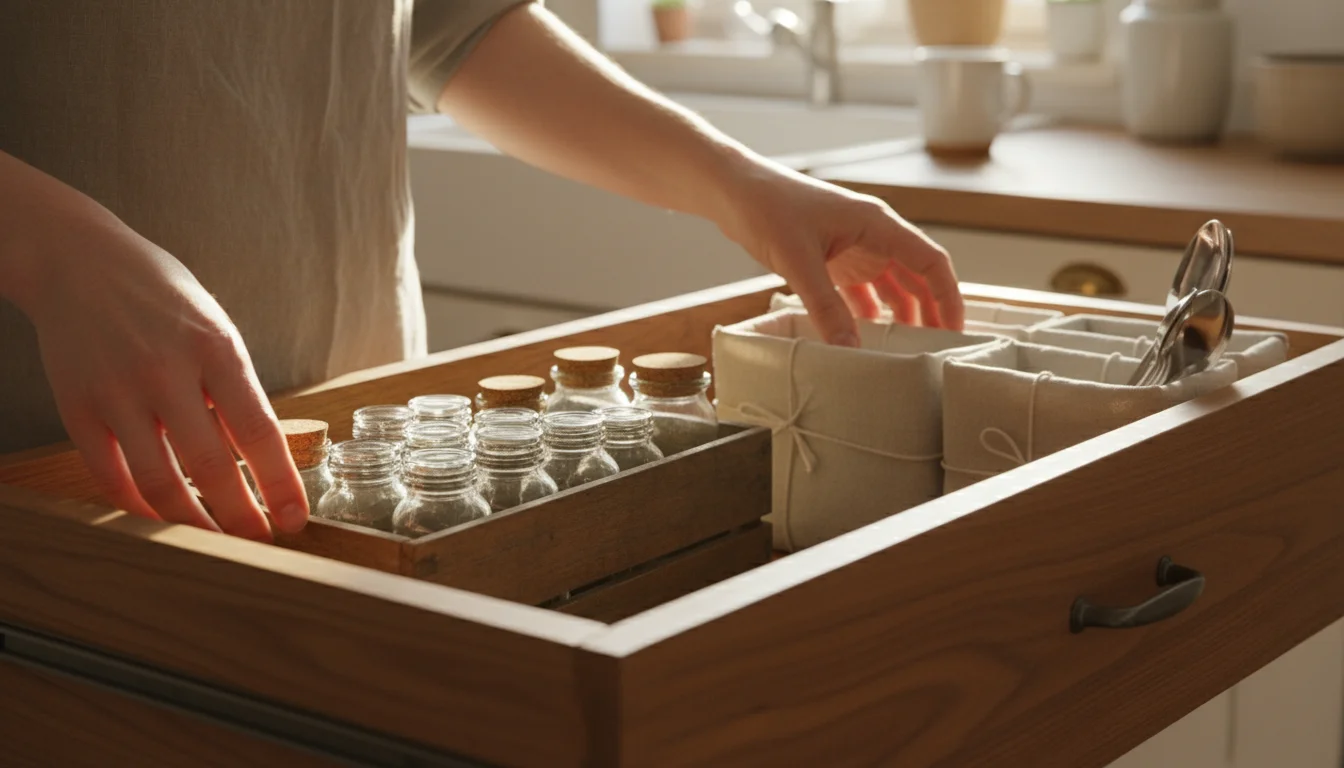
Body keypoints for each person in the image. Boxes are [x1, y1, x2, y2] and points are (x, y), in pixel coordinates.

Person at [0, 1, 964, 541]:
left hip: (358, 408)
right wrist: (51, 249)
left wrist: (737, 184)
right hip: (58, 461)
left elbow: (443, 23)